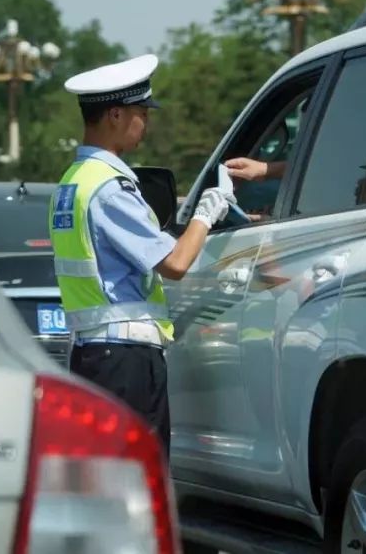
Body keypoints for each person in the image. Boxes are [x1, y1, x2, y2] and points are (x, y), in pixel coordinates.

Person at [51, 54, 234, 454]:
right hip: (125, 360)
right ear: (115, 115)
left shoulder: (73, 182)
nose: (145, 124)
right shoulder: (110, 188)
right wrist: (208, 210)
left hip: (94, 353)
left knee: (106, 475)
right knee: (137, 472)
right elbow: (175, 264)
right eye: (141, 114)